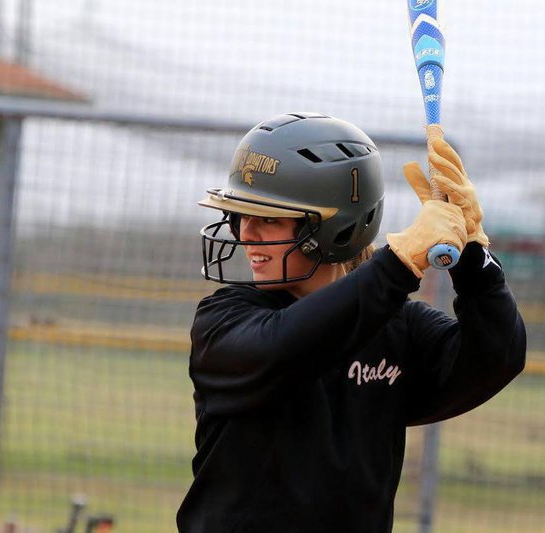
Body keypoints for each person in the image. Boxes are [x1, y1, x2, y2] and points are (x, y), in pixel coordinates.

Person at [176, 112, 526, 532]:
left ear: (336, 227)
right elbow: (287, 347)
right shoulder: (224, 320)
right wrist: (397, 266)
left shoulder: (400, 329)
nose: (245, 233)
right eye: (239, 214)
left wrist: (473, 258)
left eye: (268, 218)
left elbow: (498, 357)